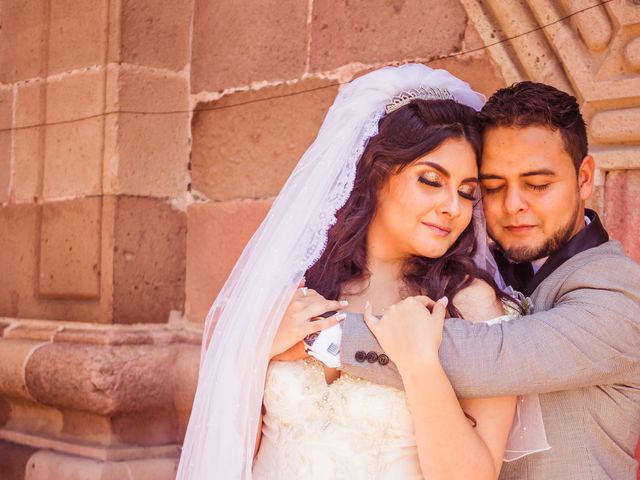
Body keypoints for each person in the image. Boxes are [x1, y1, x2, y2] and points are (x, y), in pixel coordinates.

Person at [177, 65, 548, 479]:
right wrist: (257, 348)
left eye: (466, 192)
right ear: (376, 174)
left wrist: (420, 365)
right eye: (431, 180)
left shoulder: (470, 305)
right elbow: (226, 439)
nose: (454, 207)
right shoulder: (301, 287)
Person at [326, 82, 640, 479]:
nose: (513, 206)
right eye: (491, 188)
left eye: (538, 185)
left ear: (584, 178)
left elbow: (495, 356)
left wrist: (318, 336)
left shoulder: (622, 291)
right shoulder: (470, 274)